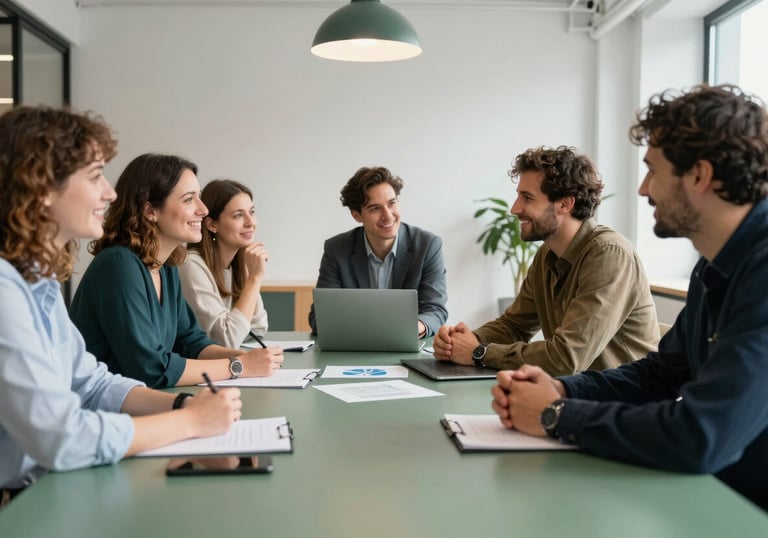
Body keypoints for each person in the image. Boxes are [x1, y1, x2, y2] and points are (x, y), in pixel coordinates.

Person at [491, 84, 768, 511]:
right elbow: (659, 374)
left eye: (652, 170)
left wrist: (556, 415)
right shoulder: (712, 266)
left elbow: (702, 434)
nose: (642, 189)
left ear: (700, 175)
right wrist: (559, 390)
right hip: (716, 497)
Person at [0, 106, 242, 506]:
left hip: (45, 486)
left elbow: (91, 383)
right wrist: (189, 421)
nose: (110, 193)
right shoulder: (6, 290)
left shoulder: (37, 282)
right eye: (95, 176)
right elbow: (61, 438)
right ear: (42, 187)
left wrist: (184, 403)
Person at [433, 146, 659, 376]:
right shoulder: (547, 255)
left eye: (527, 198)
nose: (514, 208)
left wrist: (478, 352)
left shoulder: (609, 255)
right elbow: (515, 325)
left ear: (565, 204)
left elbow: (566, 358)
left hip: (626, 402)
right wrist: (464, 341)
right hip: (580, 394)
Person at [70, 154, 283, 389]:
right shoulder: (119, 265)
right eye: (189, 199)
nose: (203, 210)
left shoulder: (167, 266)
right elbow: (152, 369)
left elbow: (191, 342)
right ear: (150, 210)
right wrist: (239, 366)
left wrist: (247, 359)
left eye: (199, 198)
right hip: (104, 413)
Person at [308, 166, 448, 338]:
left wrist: (414, 328)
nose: (388, 215)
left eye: (392, 203)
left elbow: (435, 309)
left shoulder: (427, 246)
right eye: (375, 208)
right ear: (356, 215)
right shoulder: (337, 249)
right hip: (354, 347)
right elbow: (320, 317)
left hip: (407, 344)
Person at [179, 179, 269, 348]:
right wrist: (255, 278)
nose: (251, 222)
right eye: (238, 215)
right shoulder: (191, 265)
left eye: (252, 211)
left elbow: (258, 327)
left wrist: (251, 275)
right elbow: (226, 340)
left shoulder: (241, 263)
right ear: (212, 224)